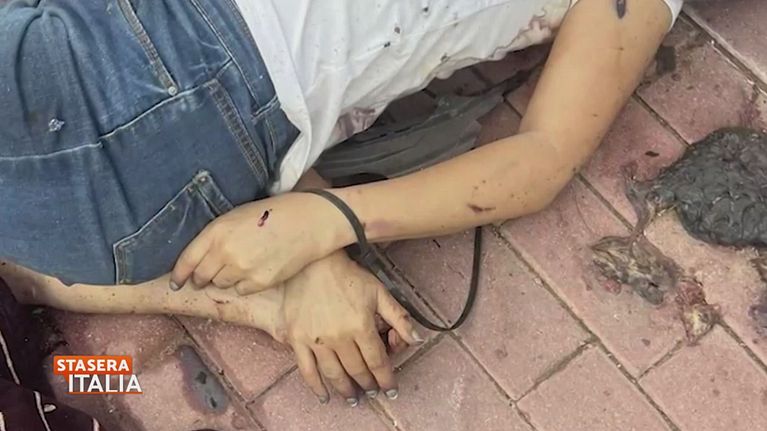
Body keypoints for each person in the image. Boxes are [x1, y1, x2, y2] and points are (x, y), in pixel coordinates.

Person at [0, 0, 683, 411]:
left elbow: (543, 158)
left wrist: (327, 220)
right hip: (138, 96)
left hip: (176, 90)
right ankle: (260, 295)